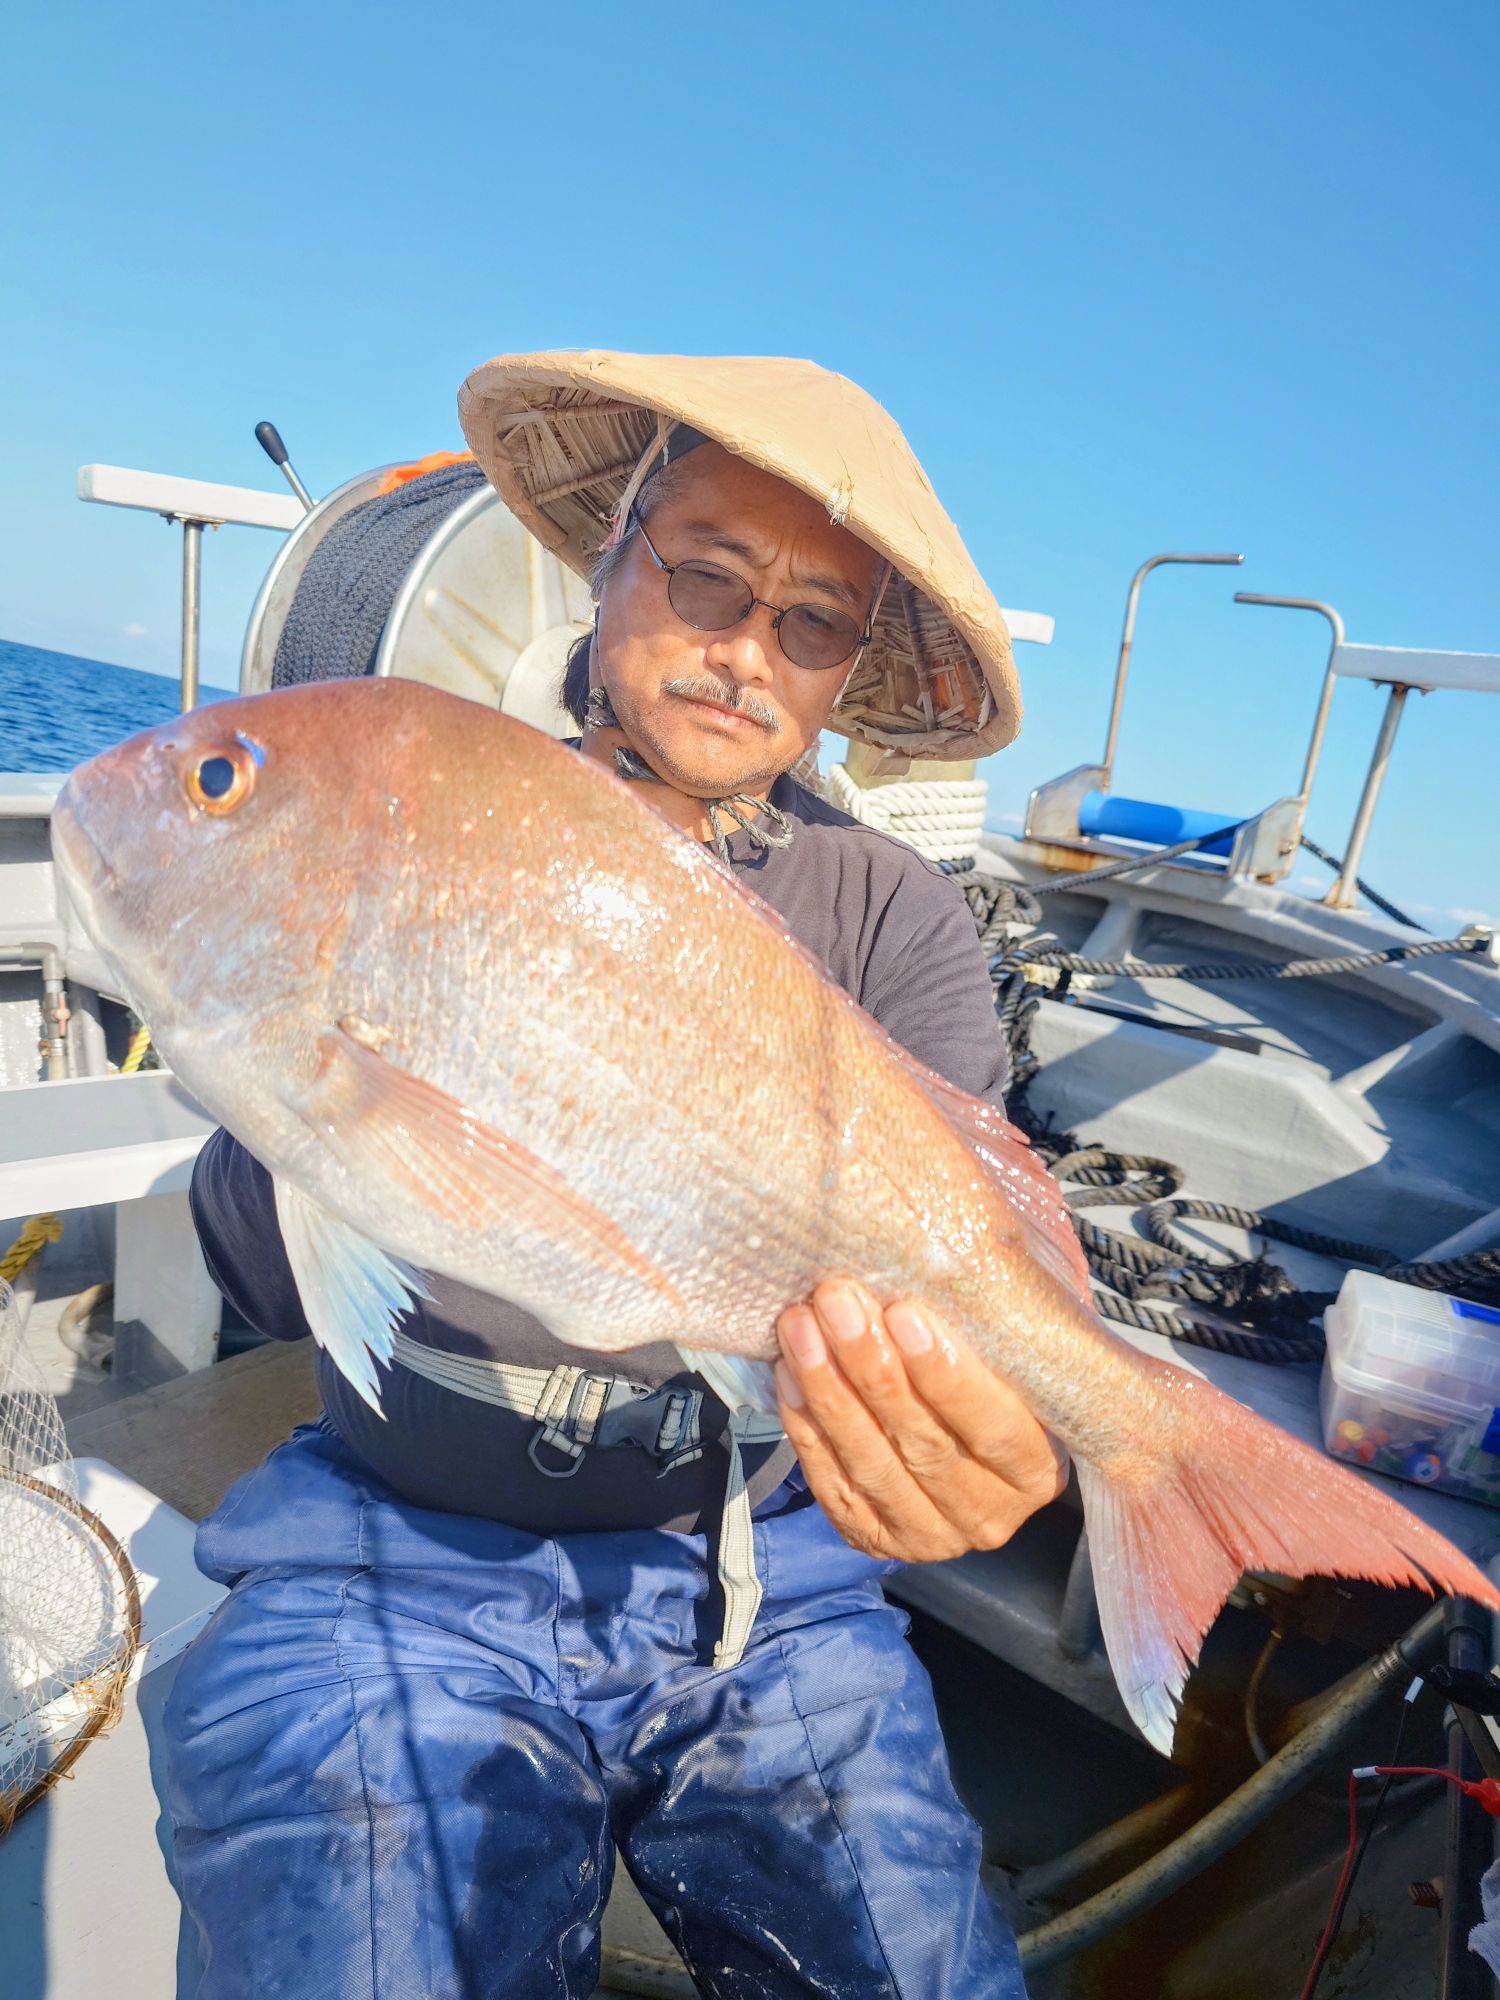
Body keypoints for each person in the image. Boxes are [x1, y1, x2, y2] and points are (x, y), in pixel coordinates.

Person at [164, 351, 1065, 1998]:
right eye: (707, 576)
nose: (745, 650)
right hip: (397, 1541)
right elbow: (256, 1270)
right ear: (612, 560)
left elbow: (964, 1278)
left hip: (767, 1581)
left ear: (848, 669)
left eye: (812, 622)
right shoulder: (441, 809)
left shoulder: (896, 916)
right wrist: (293, 1068)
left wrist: (992, 1437)